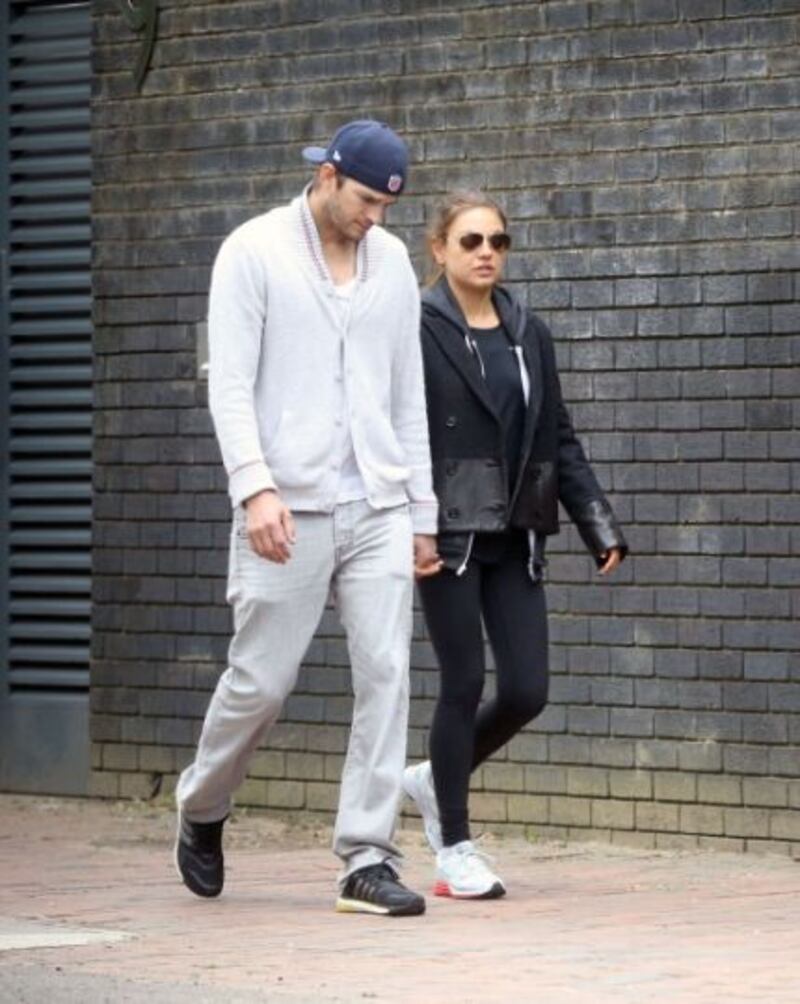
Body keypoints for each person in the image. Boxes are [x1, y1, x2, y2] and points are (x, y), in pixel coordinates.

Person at [174, 120, 442, 917]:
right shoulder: (252, 251)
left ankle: (367, 856)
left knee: (386, 675)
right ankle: (203, 803)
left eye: (387, 207)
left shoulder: (391, 262)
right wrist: (254, 489)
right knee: (262, 682)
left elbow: (407, 393)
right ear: (327, 176)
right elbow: (229, 385)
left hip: (378, 503)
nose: (374, 219)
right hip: (285, 503)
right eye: (364, 201)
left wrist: (421, 510)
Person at [403, 190, 627, 900]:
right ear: (439, 248)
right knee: (463, 682)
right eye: (471, 241)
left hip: (518, 529)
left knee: (528, 689)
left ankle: (435, 776)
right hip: (449, 530)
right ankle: (454, 848)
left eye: (497, 241)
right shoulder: (414, 327)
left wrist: (596, 522)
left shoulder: (529, 332)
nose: (486, 253)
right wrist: (410, 520)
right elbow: (394, 426)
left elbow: (557, 435)